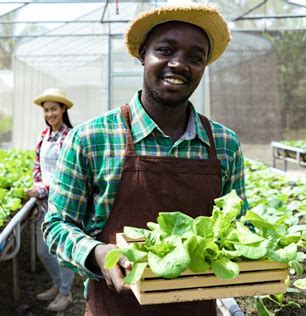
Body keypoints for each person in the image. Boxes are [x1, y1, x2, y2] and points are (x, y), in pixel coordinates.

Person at [43, 3, 248, 316]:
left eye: (195, 57)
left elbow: (236, 225)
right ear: (142, 54)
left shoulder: (224, 144)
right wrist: (98, 253)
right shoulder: (91, 138)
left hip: (197, 308)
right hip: (114, 307)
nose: (179, 64)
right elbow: (57, 225)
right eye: (165, 50)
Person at [26, 88, 75, 312]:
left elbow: (66, 174)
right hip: (45, 201)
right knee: (44, 251)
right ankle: (58, 285)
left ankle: (66, 293)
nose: (49, 114)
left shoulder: (69, 136)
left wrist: (43, 189)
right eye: (46, 110)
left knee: (62, 250)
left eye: (53, 109)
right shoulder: (44, 136)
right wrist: (38, 185)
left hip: (64, 202)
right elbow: (38, 166)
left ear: (63, 109)